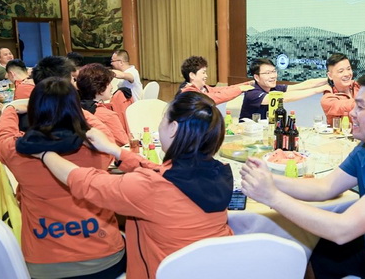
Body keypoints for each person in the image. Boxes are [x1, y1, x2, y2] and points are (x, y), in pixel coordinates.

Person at [241, 72, 365, 278]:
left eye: (361, 107)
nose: (352, 113)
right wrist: (269, 179)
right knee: (313, 252)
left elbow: (342, 230)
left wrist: (272, 197)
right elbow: (325, 187)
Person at [34, 91, 234, 278]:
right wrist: (114, 150)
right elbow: (158, 172)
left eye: (163, 120)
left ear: (173, 128)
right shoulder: (221, 172)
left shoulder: (150, 188)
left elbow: (85, 181)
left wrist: (44, 154)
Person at [0, 77, 126, 278]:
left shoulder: (18, 153)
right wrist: (71, 108)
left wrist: (11, 110)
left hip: (45, 267)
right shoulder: (98, 148)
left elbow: (3, 135)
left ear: (34, 112)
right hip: (105, 261)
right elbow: (100, 130)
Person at [239, 58, 329, 120]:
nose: (273, 76)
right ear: (257, 77)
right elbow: (285, 97)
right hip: (249, 133)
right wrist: (318, 90)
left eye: (274, 71)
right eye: (267, 73)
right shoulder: (251, 92)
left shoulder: (273, 88)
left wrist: (330, 79)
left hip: (266, 130)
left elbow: (303, 85)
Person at [76, 63, 129, 146]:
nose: (111, 87)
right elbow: (124, 142)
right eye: (108, 84)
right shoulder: (108, 115)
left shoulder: (76, 109)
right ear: (100, 88)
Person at [178, 56, 253, 104]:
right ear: (192, 75)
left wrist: (247, 84)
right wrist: (239, 89)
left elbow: (222, 90)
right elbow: (216, 97)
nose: (206, 76)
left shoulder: (203, 88)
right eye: (203, 72)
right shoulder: (188, 93)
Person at [320, 53, 360, 124]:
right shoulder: (328, 99)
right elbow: (348, 106)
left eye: (349, 69)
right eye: (341, 71)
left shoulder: (360, 86)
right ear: (330, 76)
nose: (347, 74)